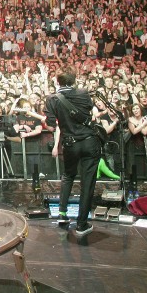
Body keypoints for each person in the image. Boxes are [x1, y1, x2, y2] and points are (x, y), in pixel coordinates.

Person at [48, 69, 101, 239]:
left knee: (68, 175)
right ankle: (81, 224)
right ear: (73, 81)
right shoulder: (83, 93)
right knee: (87, 183)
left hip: (70, 143)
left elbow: (50, 126)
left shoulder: (52, 99)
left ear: (58, 82)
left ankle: (62, 214)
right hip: (89, 141)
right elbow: (92, 113)